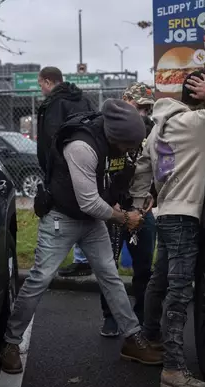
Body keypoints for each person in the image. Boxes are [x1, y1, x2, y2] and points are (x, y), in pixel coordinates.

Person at [0, 99, 162, 374]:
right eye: (128, 145)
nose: (130, 150)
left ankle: (132, 338)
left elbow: (112, 181)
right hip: (61, 218)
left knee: (110, 276)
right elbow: (88, 202)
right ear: (115, 137)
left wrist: (123, 201)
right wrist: (123, 217)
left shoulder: (115, 143)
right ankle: (10, 343)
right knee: (40, 278)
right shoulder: (81, 147)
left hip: (92, 221)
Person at [130, 70, 205, 387]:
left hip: (165, 215)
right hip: (184, 216)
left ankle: (149, 338)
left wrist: (140, 202)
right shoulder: (197, 124)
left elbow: (141, 172)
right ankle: (173, 370)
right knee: (179, 292)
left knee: (159, 280)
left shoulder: (157, 130)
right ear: (201, 93)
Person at [93, 83, 157, 337]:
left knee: (144, 267)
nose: (142, 113)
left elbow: (157, 167)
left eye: (146, 108)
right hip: (113, 207)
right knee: (108, 266)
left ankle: (141, 316)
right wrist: (110, 203)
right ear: (125, 100)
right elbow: (99, 172)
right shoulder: (107, 129)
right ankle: (110, 317)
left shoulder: (152, 131)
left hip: (141, 207)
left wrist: (154, 195)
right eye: (138, 106)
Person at [36, 66, 95, 277]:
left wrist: (49, 168)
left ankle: (51, 264)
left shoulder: (53, 104)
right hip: (87, 164)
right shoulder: (84, 99)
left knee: (60, 215)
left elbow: (50, 139)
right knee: (85, 209)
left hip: (61, 169)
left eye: (41, 83)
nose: (40, 88)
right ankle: (84, 259)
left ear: (49, 82)